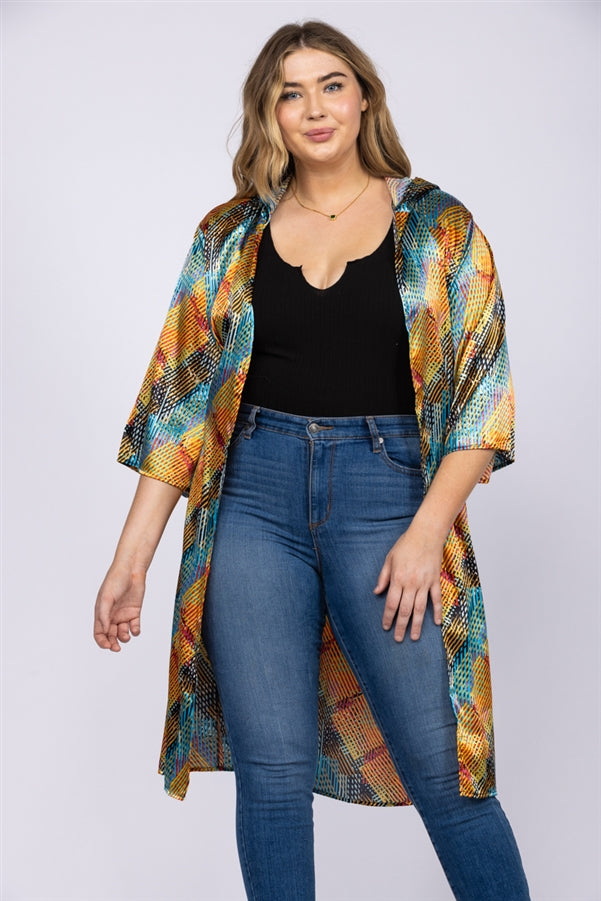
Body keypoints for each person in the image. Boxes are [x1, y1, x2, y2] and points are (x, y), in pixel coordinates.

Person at [94, 20, 531, 901]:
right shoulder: (228, 234)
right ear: (270, 114)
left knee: (446, 773)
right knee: (270, 776)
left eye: (331, 85)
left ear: (363, 96)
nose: (314, 107)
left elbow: (481, 406)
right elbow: (179, 405)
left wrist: (425, 534)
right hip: (252, 498)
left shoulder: (438, 226)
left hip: (389, 497)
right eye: (290, 93)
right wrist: (130, 560)